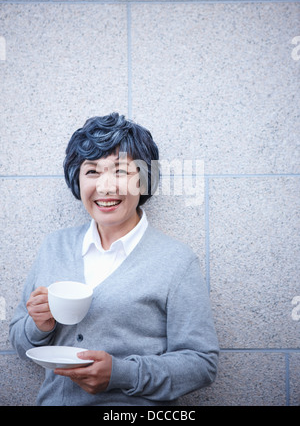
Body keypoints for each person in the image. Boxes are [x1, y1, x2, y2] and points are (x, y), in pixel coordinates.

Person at [9, 113, 219, 406]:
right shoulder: (53, 247)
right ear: (77, 178)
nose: (106, 187)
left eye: (121, 171)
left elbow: (201, 364)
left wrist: (122, 374)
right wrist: (38, 326)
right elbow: (20, 343)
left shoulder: (176, 261)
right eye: (92, 171)